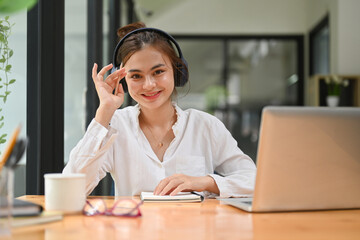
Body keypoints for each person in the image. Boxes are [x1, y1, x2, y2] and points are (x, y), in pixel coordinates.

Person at [63, 22, 256, 198]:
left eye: (158, 72)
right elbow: (69, 189)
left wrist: (203, 181)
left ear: (177, 72)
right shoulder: (117, 125)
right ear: (124, 80)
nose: (149, 85)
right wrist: (104, 110)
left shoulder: (205, 126)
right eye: (136, 76)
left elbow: (254, 180)